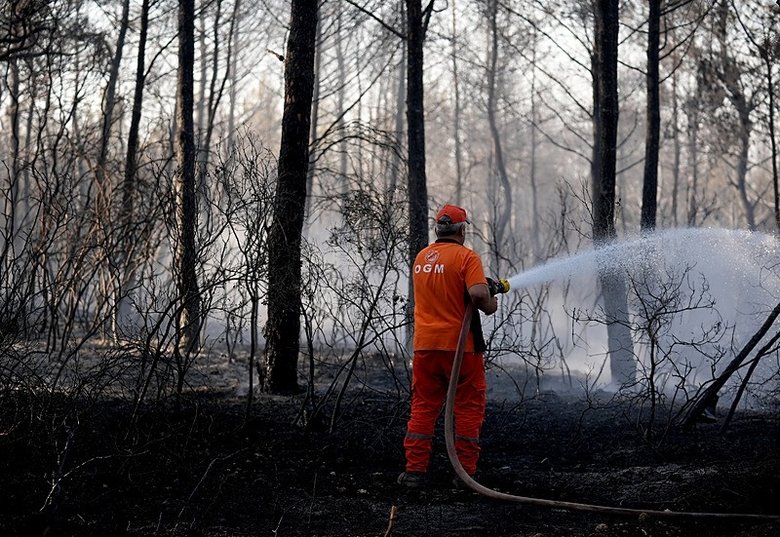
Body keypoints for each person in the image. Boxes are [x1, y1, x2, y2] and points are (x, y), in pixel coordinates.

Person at [398, 203, 499, 488]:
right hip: (460, 349)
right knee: (467, 408)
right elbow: (479, 295)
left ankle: (415, 472)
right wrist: (492, 302)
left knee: (423, 406)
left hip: (425, 347)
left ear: (438, 229)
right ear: (462, 230)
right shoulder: (467, 257)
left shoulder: (421, 258)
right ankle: (464, 474)